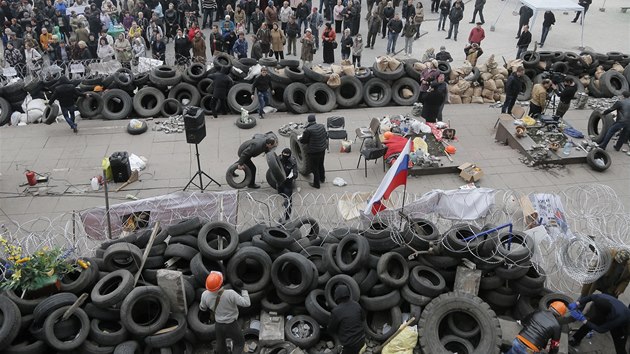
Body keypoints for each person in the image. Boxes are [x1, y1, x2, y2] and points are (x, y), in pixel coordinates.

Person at [199, 272, 250, 354]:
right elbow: (247, 303)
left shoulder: (204, 295)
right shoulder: (230, 293)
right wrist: (243, 289)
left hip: (218, 325)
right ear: (222, 283)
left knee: (221, 346)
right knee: (239, 343)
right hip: (231, 324)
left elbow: (202, 308)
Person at [327, 285, 365, 354]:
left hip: (350, 347)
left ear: (337, 297)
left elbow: (331, 329)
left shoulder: (336, 311)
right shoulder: (356, 305)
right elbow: (363, 318)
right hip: (362, 340)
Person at [300, 114, 328, 189]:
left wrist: (300, 138)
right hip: (322, 150)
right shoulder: (322, 126)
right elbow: (326, 135)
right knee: (321, 164)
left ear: (308, 121)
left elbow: (304, 141)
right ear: (315, 120)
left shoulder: (308, 130)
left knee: (314, 168)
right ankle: (322, 178)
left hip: (313, 152)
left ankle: (316, 184)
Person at [277, 148, 298, 223]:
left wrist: (292, 175)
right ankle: (284, 201)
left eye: (287, 155)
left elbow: (296, 174)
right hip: (280, 183)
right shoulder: (278, 159)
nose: (284, 156)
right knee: (280, 194)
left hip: (288, 184)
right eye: (284, 154)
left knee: (288, 200)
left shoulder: (292, 162)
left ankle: (287, 216)